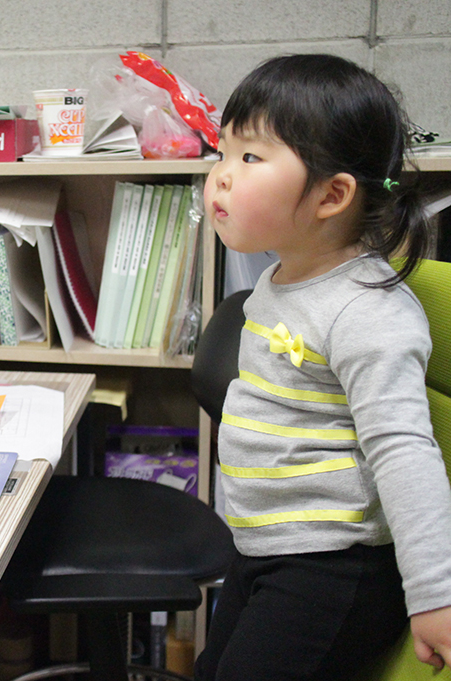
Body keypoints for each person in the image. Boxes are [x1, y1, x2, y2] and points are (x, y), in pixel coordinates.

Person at [195, 53, 451, 680]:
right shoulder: (281, 280)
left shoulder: (367, 311)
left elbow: (405, 452)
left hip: (333, 568)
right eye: (222, 153)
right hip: (265, 545)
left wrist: (437, 595)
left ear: (332, 195)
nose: (220, 176)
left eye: (249, 157)